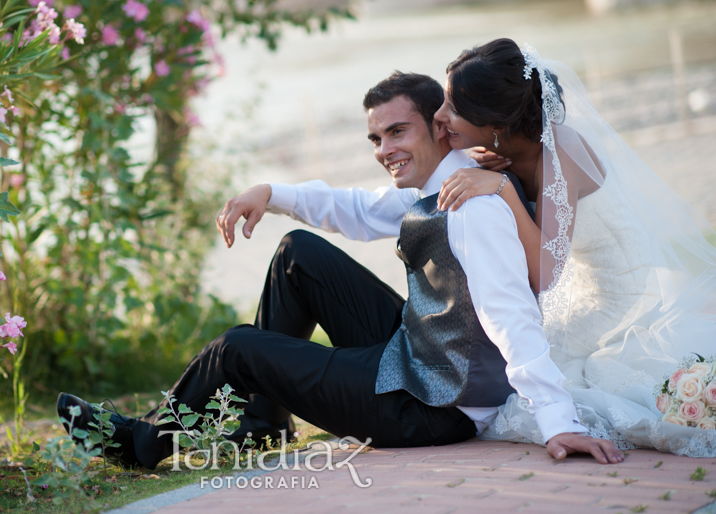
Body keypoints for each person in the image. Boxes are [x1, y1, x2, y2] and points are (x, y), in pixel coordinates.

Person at [57, 71, 623, 469]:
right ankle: (262, 423)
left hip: (433, 409)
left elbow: (510, 312)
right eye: (376, 137)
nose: (383, 148)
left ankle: (141, 444)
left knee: (238, 348)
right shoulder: (443, 178)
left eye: (397, 132)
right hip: (417, 357)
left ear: (440, 126)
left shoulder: (472, 205)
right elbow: (355, 208)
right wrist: (271, 192)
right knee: (297, 253)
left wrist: (557, 421)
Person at [432, 38, 716, 456]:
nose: (440, 117)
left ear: (494, 121)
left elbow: (546, 272)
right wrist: (496, 173)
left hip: (619, 296)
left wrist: (504, 192)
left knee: (527, 379)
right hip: (583, 287)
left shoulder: (560, 149)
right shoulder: (504, 150)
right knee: (507, 352)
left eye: (453, 108)